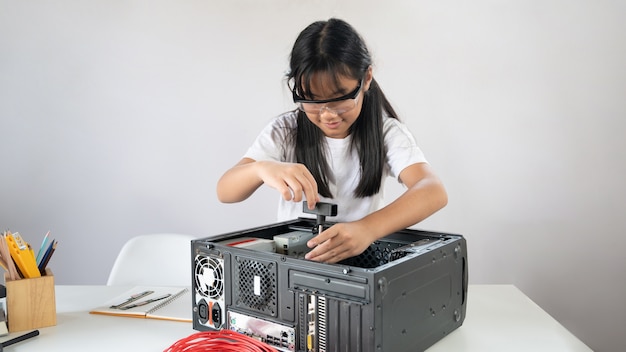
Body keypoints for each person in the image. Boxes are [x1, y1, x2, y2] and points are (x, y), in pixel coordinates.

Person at [217, 18, 447, 264]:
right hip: (296, 269)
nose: (327, 114)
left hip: (358, 266)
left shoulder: (386, 133)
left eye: (340, 99)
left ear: (366, 78)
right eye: (312, 100)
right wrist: (260, 169)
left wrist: (367, 229)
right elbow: (225, 191)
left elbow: (433, 191)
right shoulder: (285, 131)